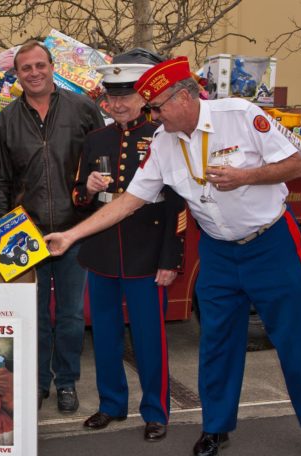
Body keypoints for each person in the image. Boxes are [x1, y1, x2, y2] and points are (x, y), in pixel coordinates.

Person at [45, 56, 301, 456]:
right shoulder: (165, 142)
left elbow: (296, 163)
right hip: (218, 251)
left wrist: (246, 176)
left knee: (294, 341)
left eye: (158, 106)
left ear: (183, 97)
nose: (153, 114)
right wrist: (71, 234)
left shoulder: (239, 115)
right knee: (217, 343)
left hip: (271, 244)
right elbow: (130, 200)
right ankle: (216, 428)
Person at [72, 48, 186, 442]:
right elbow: (77, 199)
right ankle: (110, 404)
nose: (118, 103)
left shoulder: (164, 136)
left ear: (143, 97)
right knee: (104, 334)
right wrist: (85, 188)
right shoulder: (95, 139)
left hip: (146, 254)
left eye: (126, 95)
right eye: (111, 96)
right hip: (102, 252)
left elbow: (177, 203)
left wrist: (171, 257)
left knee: (149, 336)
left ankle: (155, 411)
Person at [0, 40, 104, 413]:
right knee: (32, 316)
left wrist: (93, 221)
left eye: (40, 65)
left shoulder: (84, 109)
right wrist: (7, 235)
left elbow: (99, 168)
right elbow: (0, 182)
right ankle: (37, 383)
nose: (34, 73)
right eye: (26, 68)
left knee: (70, 316)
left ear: (52, 67)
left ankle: (67, 381)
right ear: (17, 74)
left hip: (74, 230)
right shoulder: (6, 120)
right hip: (28, 233)